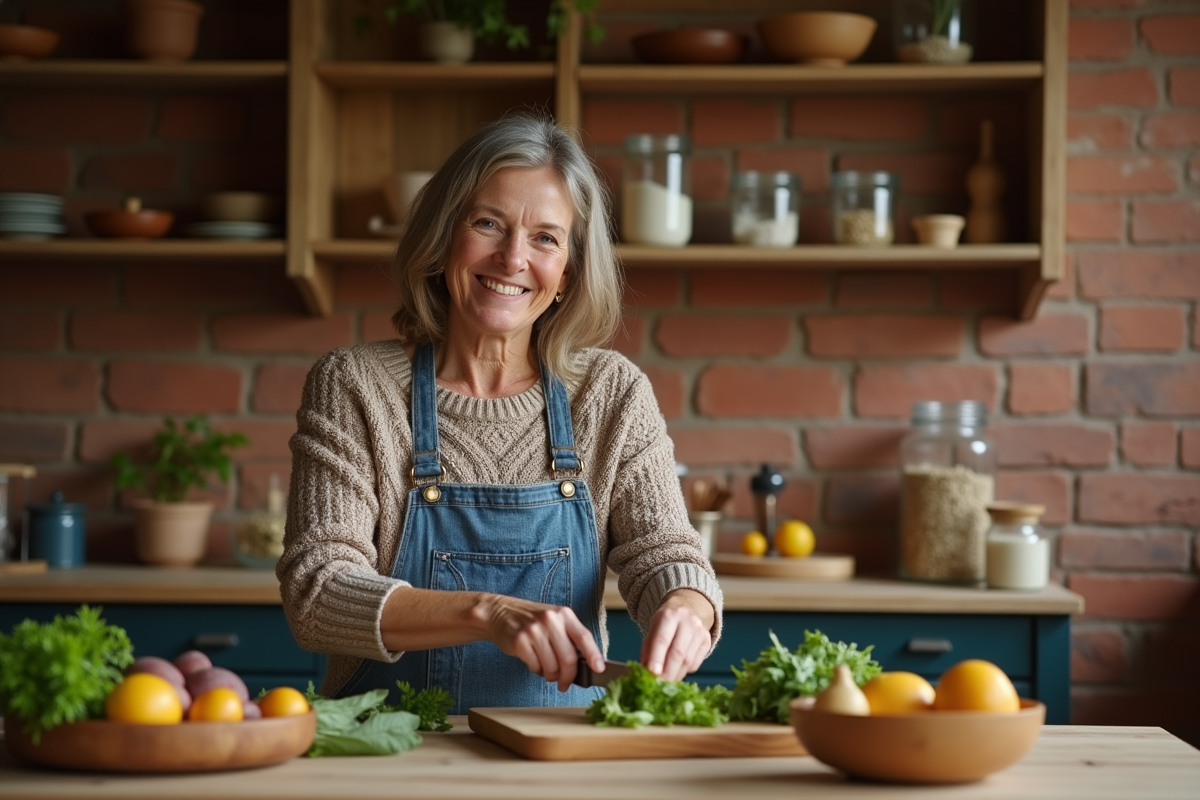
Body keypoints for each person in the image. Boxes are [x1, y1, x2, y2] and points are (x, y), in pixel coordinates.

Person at [277, 114, 723, 713]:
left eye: (545, 237)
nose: (514, 257)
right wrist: (490, 613)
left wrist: (686, 606)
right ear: (443, 240)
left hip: (555, 758)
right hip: (390, 754)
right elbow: (318, 592)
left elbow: (666, 553)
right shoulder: (355, 387)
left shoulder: (610, 393)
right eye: (488, 224)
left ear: (566, 274)